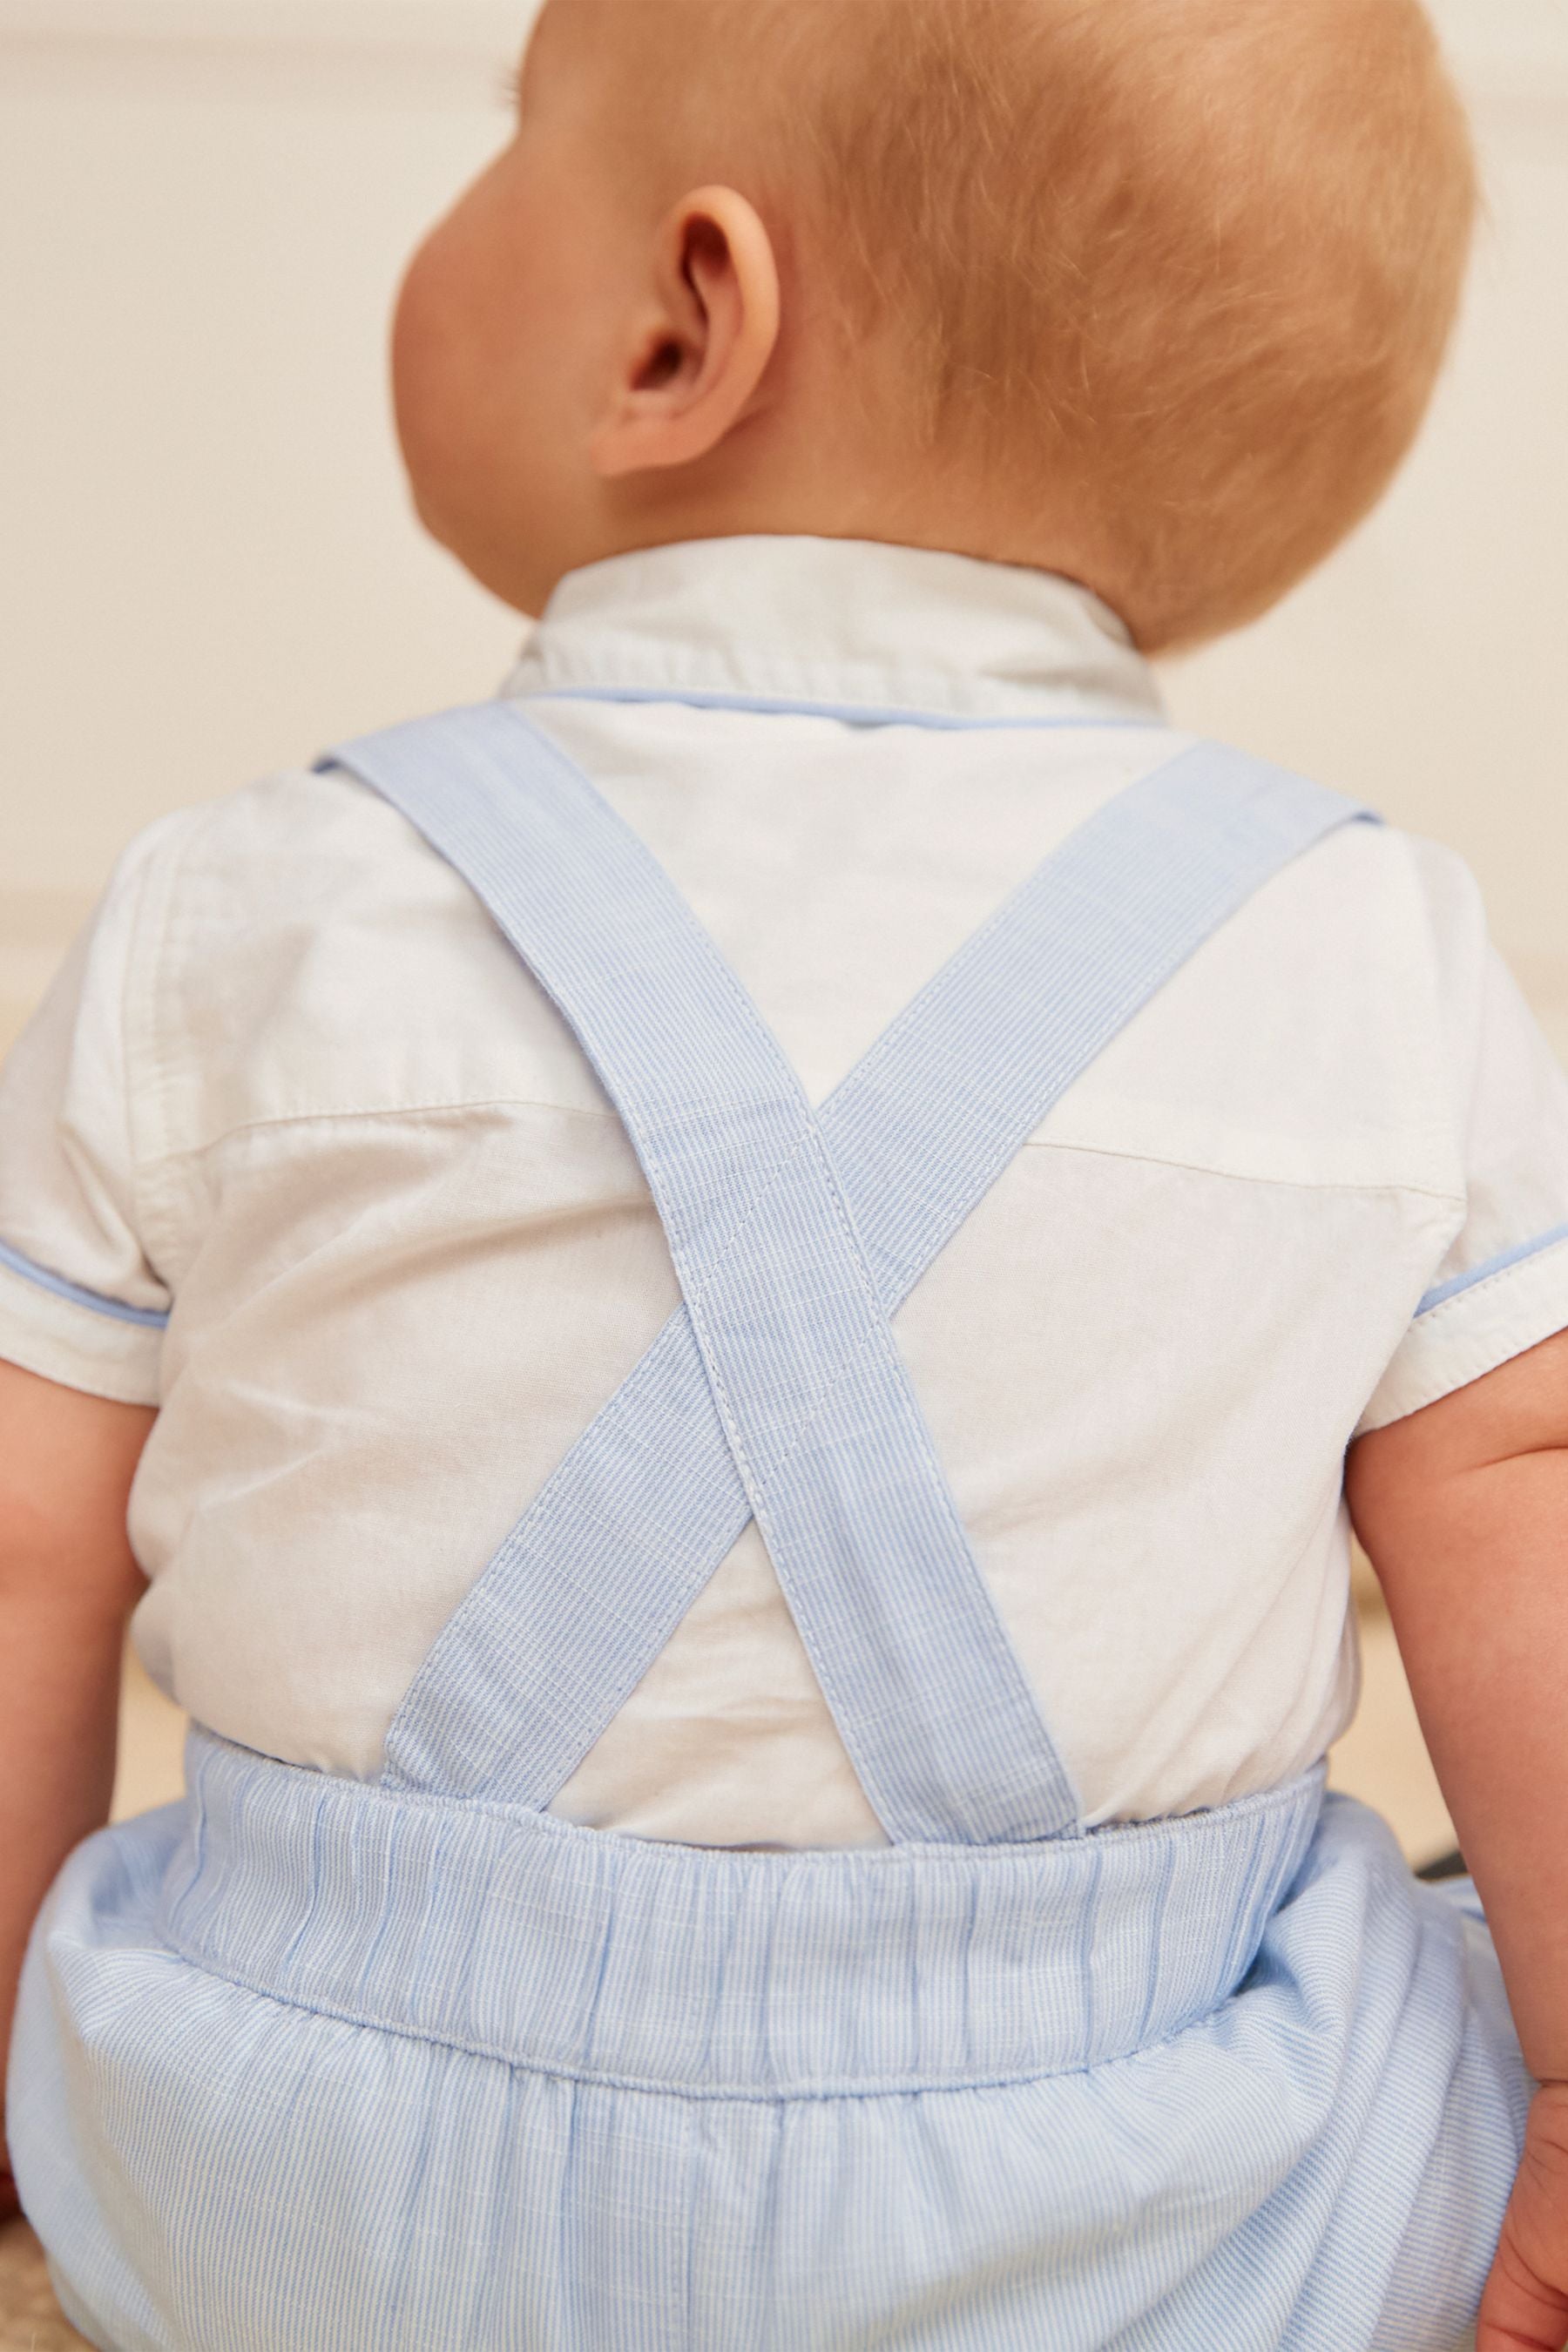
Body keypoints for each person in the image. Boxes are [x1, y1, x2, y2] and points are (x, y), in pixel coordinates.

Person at [3, 0, 1566, 2343]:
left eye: (511, 131)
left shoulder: (241, 901)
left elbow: (27, 1547)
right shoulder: (1366, 940)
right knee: (1434, 1940)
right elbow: (1520, 1509)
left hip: (294, 2204)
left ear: (682, 325)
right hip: (1128, 2207)